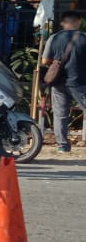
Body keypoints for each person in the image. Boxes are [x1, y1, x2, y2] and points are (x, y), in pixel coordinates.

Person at [41, 10, 86, 153]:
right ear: (79, 22)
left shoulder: (54, 38)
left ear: (63, 23)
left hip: (58, 82)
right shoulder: (84, 38)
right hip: (80, 82)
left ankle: (62, 146)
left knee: (60, 115)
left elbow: (44, 61)